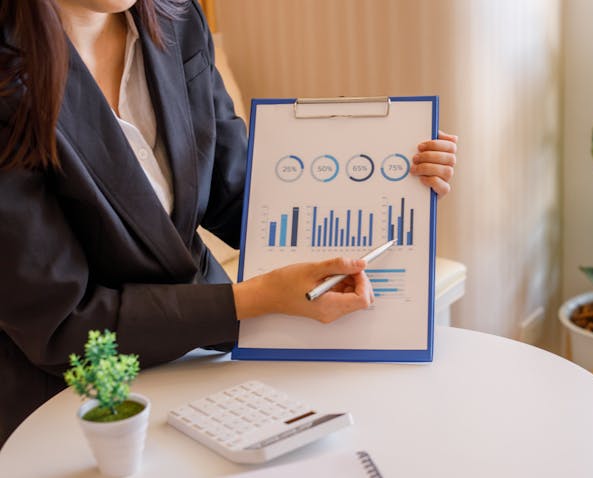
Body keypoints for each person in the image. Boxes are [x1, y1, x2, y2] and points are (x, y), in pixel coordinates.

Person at [0, 0, 457, 445]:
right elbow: (63, 325)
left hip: (209, 355)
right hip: (78, 402)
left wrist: (396, 182)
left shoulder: (175, 17)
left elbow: (237, 195)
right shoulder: (8, 79)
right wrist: (250, 300)